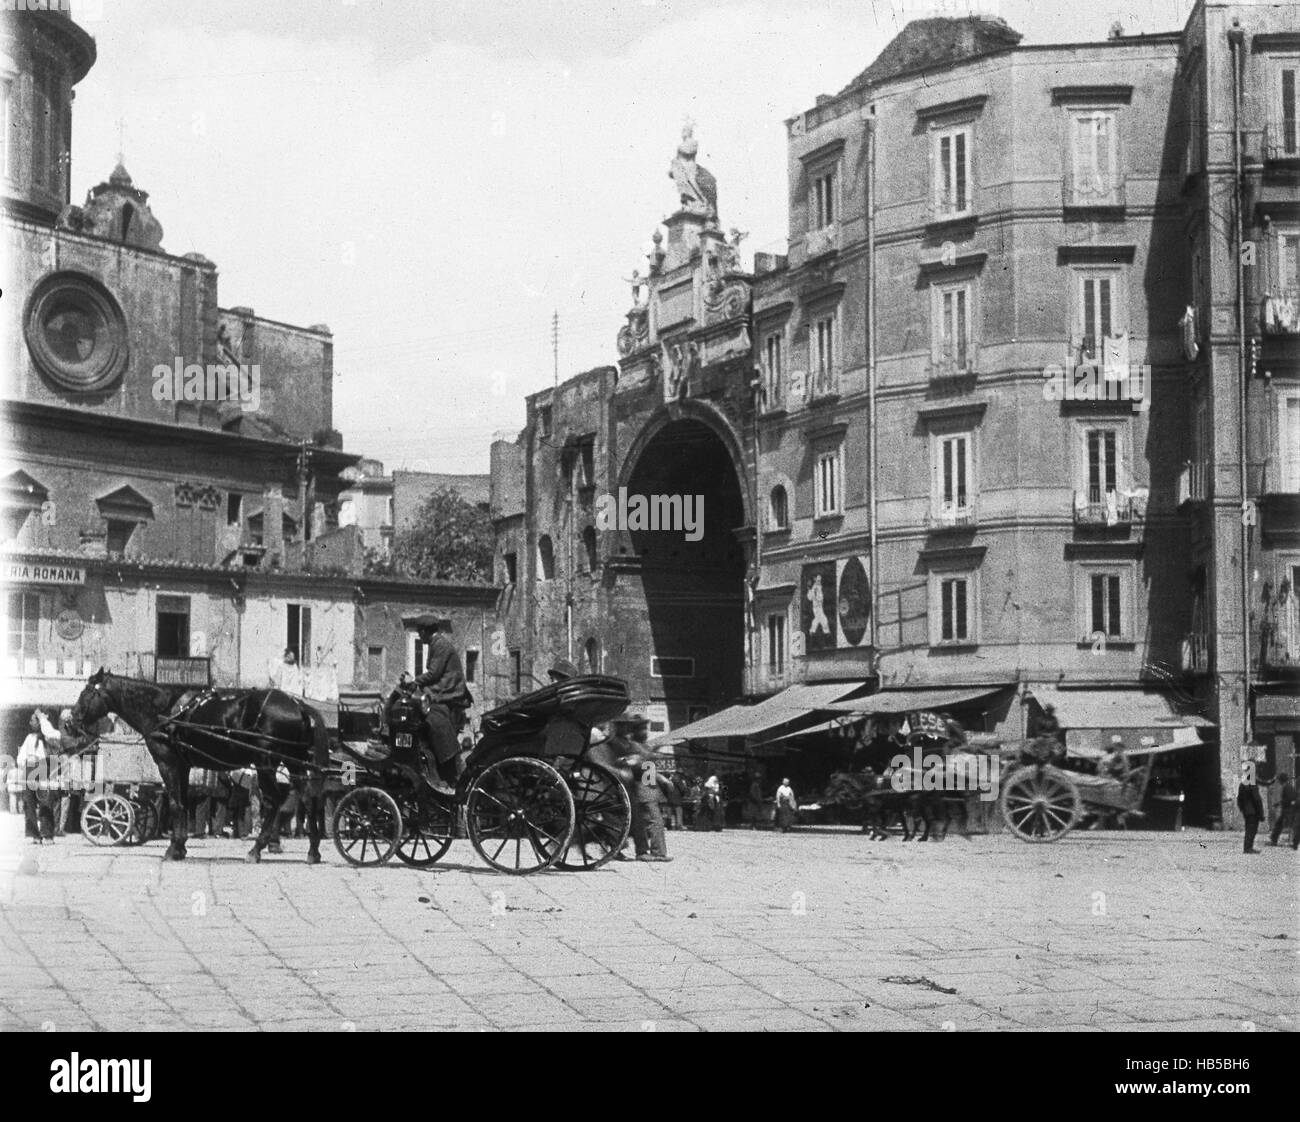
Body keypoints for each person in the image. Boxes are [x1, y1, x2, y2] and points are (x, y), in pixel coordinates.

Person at [404, 617, 472, 796]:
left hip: (448, 689)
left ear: (425, 632)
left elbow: (434, 673)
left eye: (420, 633)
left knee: (433, 716)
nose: (420, 637)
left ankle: (448, 762)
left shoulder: (440, 644)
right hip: (442, 686)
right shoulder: (437, 643)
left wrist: (414, 681)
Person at [614, 715, 671, 862]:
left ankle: (649, 851)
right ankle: (655, 852)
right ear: (635, 730)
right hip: (642, 788)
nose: (645, 732)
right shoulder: (632, 745)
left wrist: (661, 779)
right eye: (642, 728)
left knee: (644, 821)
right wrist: (644, 758)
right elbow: (630, 762)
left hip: (650, 788)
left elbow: (649, 767)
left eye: (645, 728)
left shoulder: (644, 746)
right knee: (654, 821)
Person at [17, 711, 55, 842]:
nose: (30, 723)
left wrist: (43, 719)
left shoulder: (50, 737)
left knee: (45, 802)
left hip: (43, 767)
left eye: (33, 720)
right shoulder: (29, 737)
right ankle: (34, 834)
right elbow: (21, 756)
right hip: (29, 769)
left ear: (39, 722)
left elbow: (49, 733)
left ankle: (47, 834)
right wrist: (24, 766)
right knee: (29, 802)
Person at [1237, 766, 1264, 855]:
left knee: (1249, 829)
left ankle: (1248, 847)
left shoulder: (1242, 784)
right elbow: (1257, 800)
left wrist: (1242, 809)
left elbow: (1239, 799)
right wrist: (1261, 813)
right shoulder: (1253, 784)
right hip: (1253, 811)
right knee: (1252, 830)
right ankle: (1248, 848)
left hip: (1246, 811)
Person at [1268, 772, 1298, 849]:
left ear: (1281, 780)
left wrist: (1280, 803)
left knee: (1284, 825)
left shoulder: (1287, 787)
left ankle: (1275, 840)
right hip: (1289, 810)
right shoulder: (1289, 786)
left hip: (1288, 810)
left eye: (1279, 780)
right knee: (1285, 825)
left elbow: (1289, 799)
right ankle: (1275, 840)